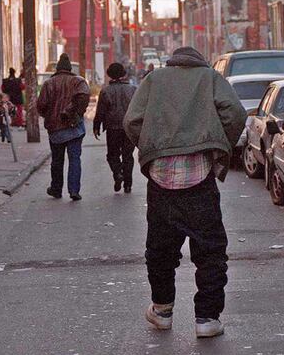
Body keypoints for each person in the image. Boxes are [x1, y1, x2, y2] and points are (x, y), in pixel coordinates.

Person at [123, 46, 247, 339]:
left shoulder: (154, 80)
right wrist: (219, 144)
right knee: (210, 250)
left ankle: (162, 310)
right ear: (199, 61)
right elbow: (236, 114)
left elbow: (132, 121)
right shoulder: (209, 78)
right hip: (200, 179)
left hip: (160, 181)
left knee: (160, 250)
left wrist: (153, 147)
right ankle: (206, 318)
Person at [37, 53, 90, 201]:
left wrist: (48, 116)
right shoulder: (78, 82)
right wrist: (77, 112)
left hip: (55, 129)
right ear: (69, 69)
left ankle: (56, 188)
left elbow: (41, 105)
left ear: (58, 69)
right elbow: (84, 95)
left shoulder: (49, 83)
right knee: (75, 159)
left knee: (57, 160)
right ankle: (74, 190)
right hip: (74, 127)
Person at [93, 63, 138, 193]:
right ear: (123, 74)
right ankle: (128, 184)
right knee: (128, 155)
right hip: (128, 127)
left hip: (113, 127)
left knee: (112, 154)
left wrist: (97, 126)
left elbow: (100, 111)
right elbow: (138, 109)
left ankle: (118, 173)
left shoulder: (106, 91)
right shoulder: (133, 89)